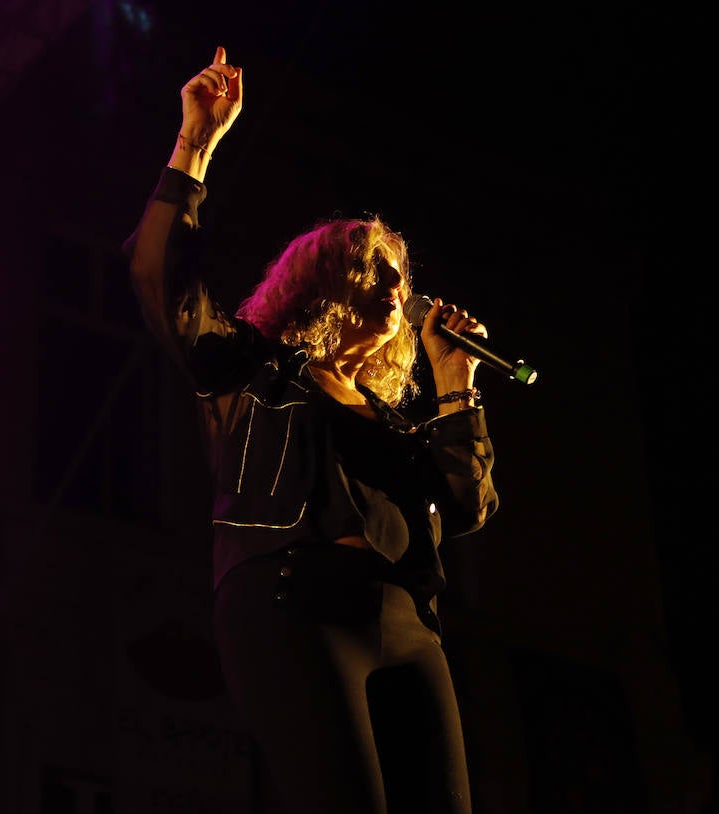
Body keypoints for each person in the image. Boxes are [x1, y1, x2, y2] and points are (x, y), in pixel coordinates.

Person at [124, 46, 501, 813]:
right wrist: (194, 146)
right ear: (319, 282)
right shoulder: (252, 370)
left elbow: (466, 506)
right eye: (372, 266)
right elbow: (161, 284)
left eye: (399, 271)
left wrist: (457, 389)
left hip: (408, 622)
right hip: (294, 606)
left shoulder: (394, 419)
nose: (396, 285)